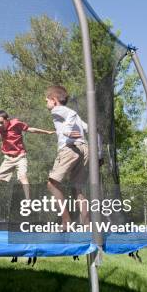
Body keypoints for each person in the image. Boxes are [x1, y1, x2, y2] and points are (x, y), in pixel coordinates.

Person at [0, 110, 54, 207]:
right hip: (8, 159)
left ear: (8, 120)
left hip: (20, 156)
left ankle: (28, 201)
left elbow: (30, 129)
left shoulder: (16, 124)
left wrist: (46, 132)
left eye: (1, 122)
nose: (0, 125)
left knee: (23, 177)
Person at [45, 85, 90, 227]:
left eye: (47, 100)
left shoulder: (57, 110)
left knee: (52, 184)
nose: (46, 103)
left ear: (54, 100)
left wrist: (67, 131)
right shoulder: (73, 112)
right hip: (83, 148)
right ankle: (87, 225)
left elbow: (70, 121)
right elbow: (86, 127)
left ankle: (66, 221)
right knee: (78, 188)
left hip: (70, 149)